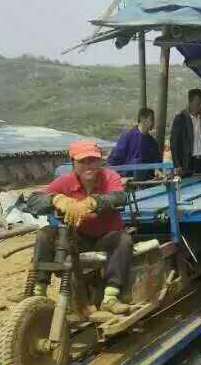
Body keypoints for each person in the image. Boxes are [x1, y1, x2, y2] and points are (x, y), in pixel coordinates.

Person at [26, 139, 133, 315]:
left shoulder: (110, 177)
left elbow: (119, 197)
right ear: (73, 163)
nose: (88, 165)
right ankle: (38, 291)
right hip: (79, 237)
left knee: (124, 240)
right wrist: (56, 199)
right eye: (82, 161)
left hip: (106, 237)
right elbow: (33, 200)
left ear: (100, 161)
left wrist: (94, 202)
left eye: (92, 160)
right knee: (45, 234)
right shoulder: (65, 181)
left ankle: (111, 297)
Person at [170, 88, 201, 174]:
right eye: (198, 103)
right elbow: (174, 144)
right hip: (188, 163)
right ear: (190, 103)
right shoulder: (181, 119)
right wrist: (177, 165)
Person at [107, 107, 162, 178]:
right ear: (143, 120)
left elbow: (157, 160)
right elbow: (115, 159)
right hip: (128, 179)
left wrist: (157, 170)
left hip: (147, 180)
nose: (153, 123)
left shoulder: (152, 142)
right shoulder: (127, 137)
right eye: (151, 119)